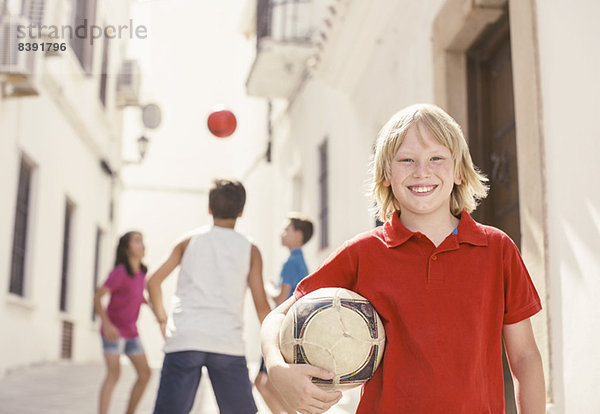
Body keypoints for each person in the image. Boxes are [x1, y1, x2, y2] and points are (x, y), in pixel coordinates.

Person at [260, 104, 546, 413]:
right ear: (386, 174)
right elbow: (277, 316)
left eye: (436, 158)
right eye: (406, 160)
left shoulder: (497, 249)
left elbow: (524, 357)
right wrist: (277, 369)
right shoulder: (363, 253)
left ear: (459, 171)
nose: (422, 171)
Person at [147, 178, 271, 414]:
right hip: (227, 342)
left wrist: (163, 320)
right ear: (242, 211)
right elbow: (262, 307)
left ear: (209, 208)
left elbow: (153, 282)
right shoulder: (251, 250)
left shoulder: (188, 241)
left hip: (185, 337)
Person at [255, 213, 314, 413]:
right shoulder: (301, 261)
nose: (282, 233)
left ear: (298, 235)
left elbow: (280, 299)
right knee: (265, 383)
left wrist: (267, 287)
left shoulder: (291, 262)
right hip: (293, 330)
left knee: (263, 383)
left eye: (286, 229)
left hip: (281, 330)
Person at [94, 231, 152, 414]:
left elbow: (133, 294)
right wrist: (107, 325)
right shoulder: (119, 273)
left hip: (131, 333)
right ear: (127, 249)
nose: (142, 245)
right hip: (114, 332)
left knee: (145, 374)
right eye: (137, 241)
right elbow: (97, 297)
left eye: (142, 241)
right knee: (114, 374)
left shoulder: (142, 273)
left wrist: (146, 302)